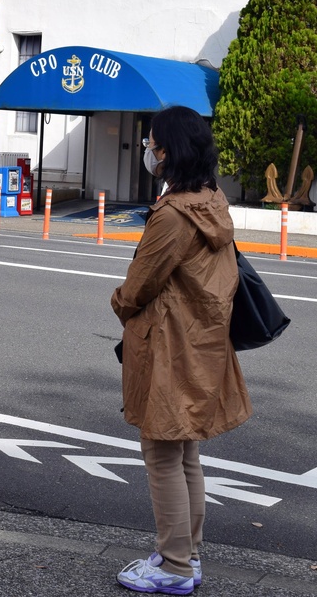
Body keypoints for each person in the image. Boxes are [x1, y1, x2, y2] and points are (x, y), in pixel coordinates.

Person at [111, 105, 252, 595]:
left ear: (167, 151)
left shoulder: (172, 214)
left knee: (162, 452)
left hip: (171, 345)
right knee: (185, 450)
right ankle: (185, 555)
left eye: (153, 142)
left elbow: (138, 286)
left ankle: (173, 568)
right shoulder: (212, 200)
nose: (149, 149)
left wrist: (119, 302)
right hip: (203, 342)